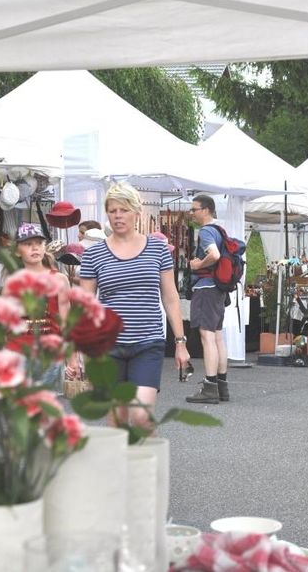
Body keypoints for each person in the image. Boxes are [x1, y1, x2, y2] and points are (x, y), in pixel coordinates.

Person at [79, 182, 189, 431]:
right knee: (117, 419)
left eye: (124, 210)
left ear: (137, 212)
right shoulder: (94, 254)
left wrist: (181, 343)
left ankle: (144, 468)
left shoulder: (157, 249)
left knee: (141, 416)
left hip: (148, 342)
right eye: (113, 210)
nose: (118, 216)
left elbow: (170, 298)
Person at [6, 222, 79, 388]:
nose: (35, 248)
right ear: (18, 251)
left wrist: (72, 358)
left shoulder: (59, 280)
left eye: (39, 243)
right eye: (28, 244)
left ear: (45, 247)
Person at [185, 195, 230, 404]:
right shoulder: (220, 230)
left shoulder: (205, 232)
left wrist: (197, 265)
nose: (192, 213)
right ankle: (222, 385)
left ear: (206, 210)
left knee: (207, 337)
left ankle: (210, 387)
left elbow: (214, 255)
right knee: (217, 336)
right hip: (219, 289)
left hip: (206, 288)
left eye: (194, 209)